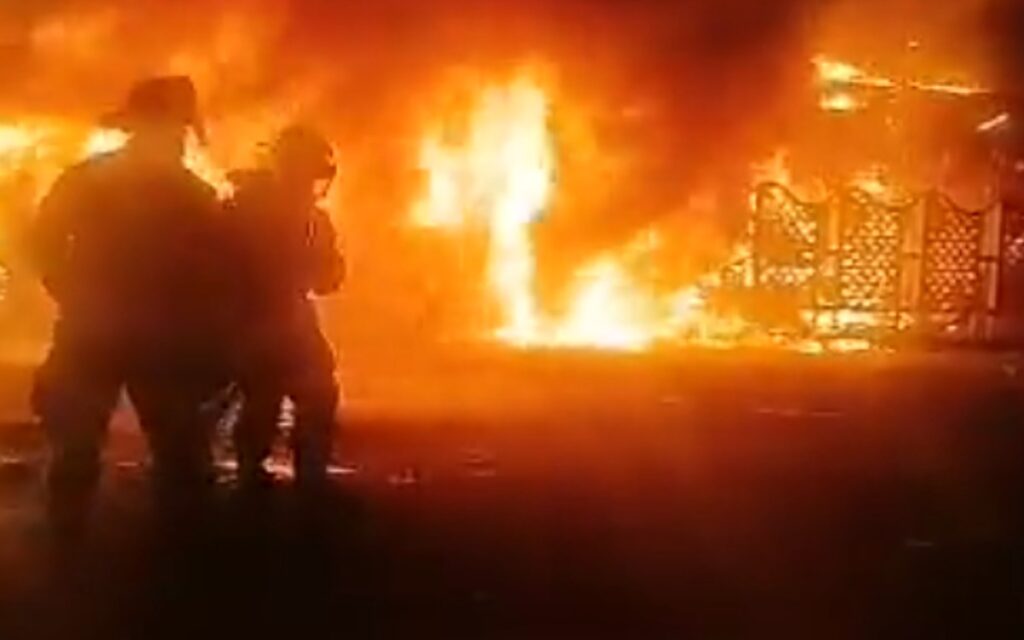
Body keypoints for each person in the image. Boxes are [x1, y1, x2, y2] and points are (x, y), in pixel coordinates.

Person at [30, 76, 227, 538]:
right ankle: (91, 554)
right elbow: (43, 240)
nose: (179, 139)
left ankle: (80, 550)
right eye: (174, 128)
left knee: (164, 451)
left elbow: (43, 240)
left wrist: (70, 291)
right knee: (151, 449)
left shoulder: (185, 194)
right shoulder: (189, 194)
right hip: (132, 334)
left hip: (121, 331)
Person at [227, 126, 344, 494]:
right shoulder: (250, 211)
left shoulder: (256, 208)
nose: (312, 184)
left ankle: (274, 471)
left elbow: (326, 277)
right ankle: (289, 474)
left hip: (280, 316)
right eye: (308, 174)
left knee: (287, 392)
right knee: (280, 392)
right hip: (261, 316)